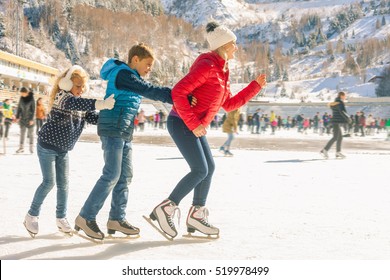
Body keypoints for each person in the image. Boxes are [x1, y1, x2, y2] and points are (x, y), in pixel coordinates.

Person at [148, 22, 267, 239]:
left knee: (209, 168)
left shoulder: (222, 71)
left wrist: (254, 87)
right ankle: (166, 208)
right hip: (181, 121)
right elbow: (178, 92)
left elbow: (229, 104)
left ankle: (196, 215)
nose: (236, 48)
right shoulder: (208, 66)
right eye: (233, 44)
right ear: (223, 45)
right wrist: (194, 124)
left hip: (193, 125)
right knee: (200, 169)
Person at [75, 43, 196, 240]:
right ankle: (85, 217)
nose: (149, 69)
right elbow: (148, 90)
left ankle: (116, 219)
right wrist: (178, 95)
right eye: (148, 64)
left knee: (124, 176)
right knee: (111, 174)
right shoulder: (124, 74)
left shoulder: (131, 77)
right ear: (136, 59)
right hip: (112, 128)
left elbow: (143, 89)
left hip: (123, 131)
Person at [23, 65, 116, 237]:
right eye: (77, 86)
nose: (81, 90)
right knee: (49, 182)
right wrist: (101, 104)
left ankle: (61, 218)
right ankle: (31, 215)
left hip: (63, 150)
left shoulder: (81, 102)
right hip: (47, 147)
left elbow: (93, 117)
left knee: (64, 185)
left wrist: (111, 114)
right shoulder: (62, 97)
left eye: (83, 86)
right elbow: (75, 103)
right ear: (66, 85)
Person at [320, 91, 351, 159]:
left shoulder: (335, 103)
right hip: (336, 122)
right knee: (335, 137)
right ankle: (325, 150)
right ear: (341, 96)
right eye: (344, 96)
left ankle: (338, 152)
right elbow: (342, 112)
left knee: (340, 137)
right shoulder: (340, 103)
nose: (345, 97)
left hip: (335, 121)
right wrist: (348, 118)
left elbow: (339, 112)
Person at [15, 87, 35, 154]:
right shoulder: (21, 98)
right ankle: (21, 148)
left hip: (30, 119)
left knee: (31, 134)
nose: (21, 94)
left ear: (26, 92)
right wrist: (17, 116)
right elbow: (19, 108)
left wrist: (31, 119)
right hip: (23, 119)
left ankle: (31, 147)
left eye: (22, 93)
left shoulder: (32, 98)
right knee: (22, 134)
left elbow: (33, 110)